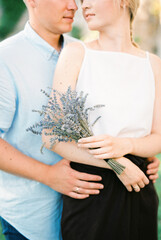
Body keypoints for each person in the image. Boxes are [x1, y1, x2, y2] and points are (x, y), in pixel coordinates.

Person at [42, 0, 161, 239]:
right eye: (82, 0)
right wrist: (117, 163)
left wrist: (128, 146)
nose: (84, 6)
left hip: (139, 187)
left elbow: (158, 137)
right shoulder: (77, 54)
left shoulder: (153, 65)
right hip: (91, 189)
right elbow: (51, 134)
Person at [0, 0, 114, 239]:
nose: (74, 6)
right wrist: (48, 175)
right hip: (29, 221)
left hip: (88, 213)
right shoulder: (6, 59)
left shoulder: (86, 53)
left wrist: (136, 157)